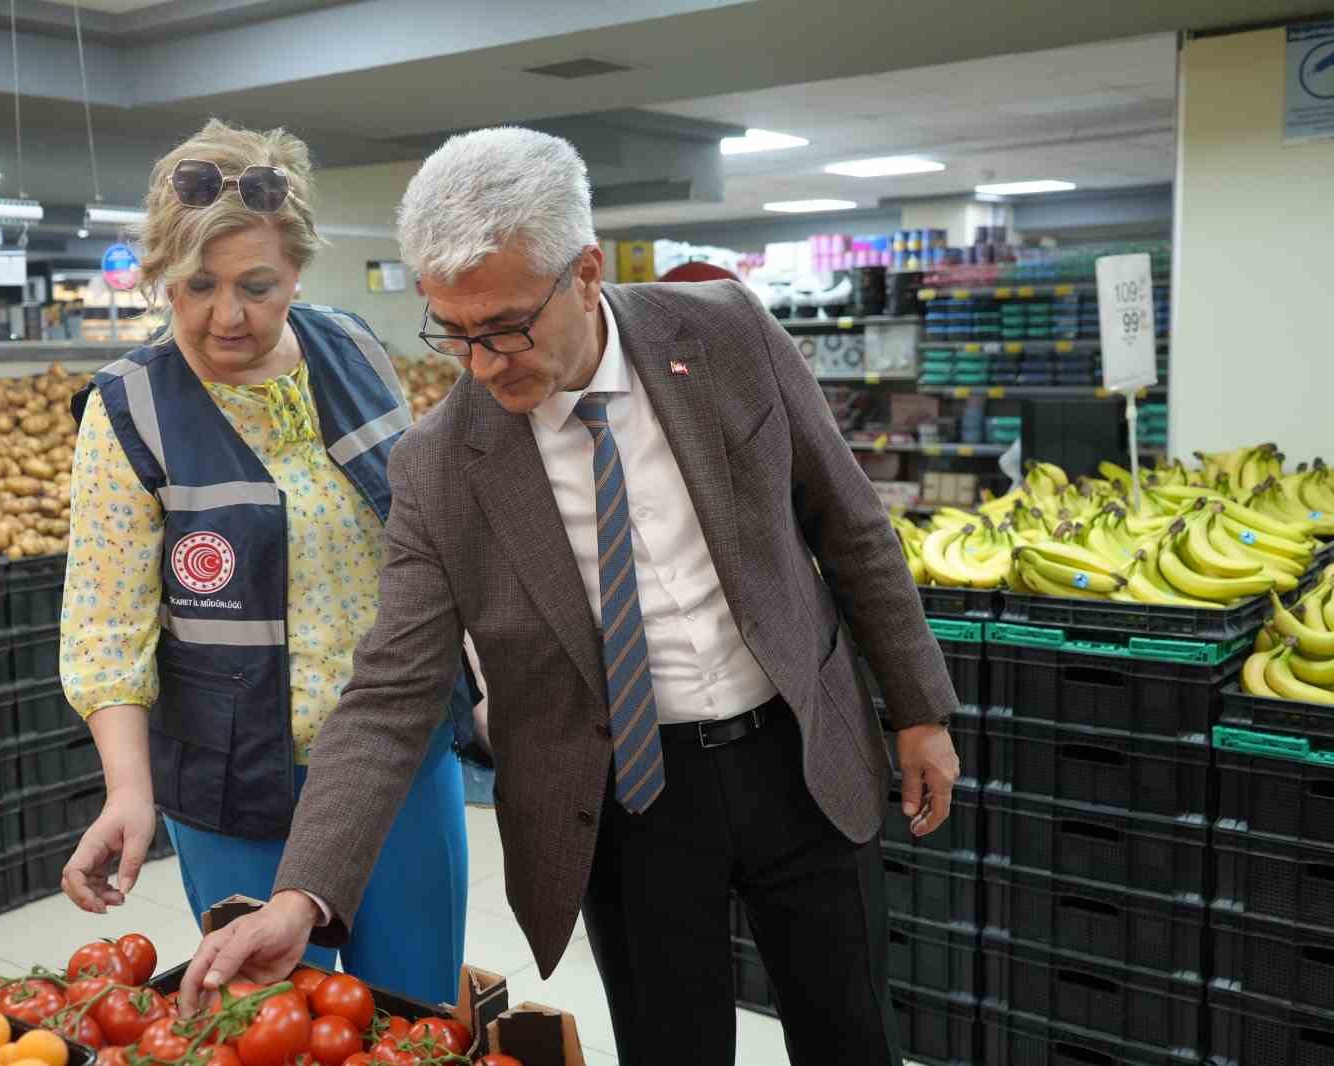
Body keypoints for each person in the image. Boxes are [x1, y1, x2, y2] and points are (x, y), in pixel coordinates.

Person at [178, 126, 961, 1065]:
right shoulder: (439, 465)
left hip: (797, 748)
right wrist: (300, 897)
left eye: (508, 327)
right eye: (455, 333)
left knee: (851, 1030)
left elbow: (851, 525)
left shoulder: (725, 335)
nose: (485, 362)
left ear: (586, 272)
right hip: (625, 800)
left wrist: (919, 710)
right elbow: (390, 693)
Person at [55, 118, 480, 1007]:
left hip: (395, 754)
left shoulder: (355, 350)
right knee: (268, 1018)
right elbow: (106, 627)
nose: (228, 315)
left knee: (414, 1008)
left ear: (297, 269)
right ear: (161, 279)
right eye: (196, 286)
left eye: (258, 285)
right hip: (229, 773)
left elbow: (424, 536)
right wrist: (128, 790)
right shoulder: (128, 409)